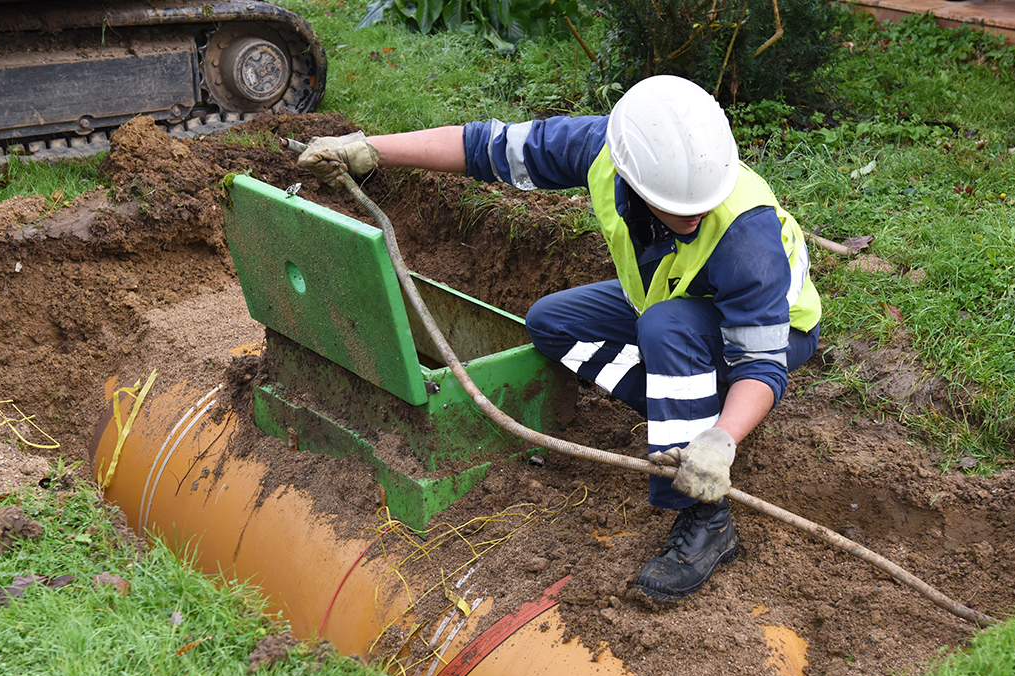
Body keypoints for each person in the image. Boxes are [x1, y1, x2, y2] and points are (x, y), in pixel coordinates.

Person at [297, 75, 821, 602]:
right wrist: (368, 149)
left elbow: (761, 364)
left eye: (701, 205)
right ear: (633, 178)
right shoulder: (606, 149)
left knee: (669, 329)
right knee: (551, 323)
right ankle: (687, 410)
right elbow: (485, 148)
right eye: (677, 208)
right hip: (664, 300)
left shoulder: (746, 238)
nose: (694, 216)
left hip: (775, 331)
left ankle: (707, 521)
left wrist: (722, 439)